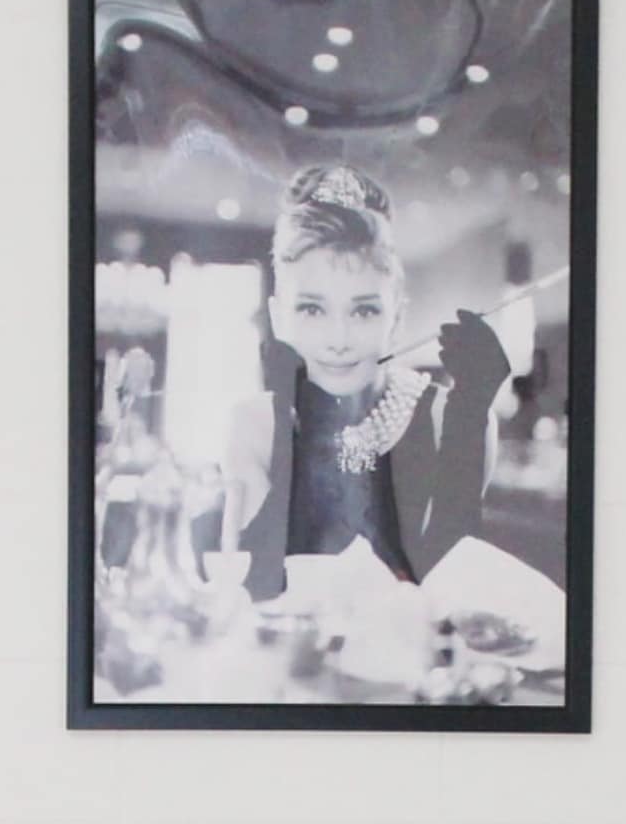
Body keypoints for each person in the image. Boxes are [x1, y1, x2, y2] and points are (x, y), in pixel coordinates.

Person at [212, 165, 510, 613]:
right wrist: (302, 416)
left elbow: (451, 599)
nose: (339, 338)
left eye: (364, 311)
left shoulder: (453, 417)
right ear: (278, 316)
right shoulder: (254, 423)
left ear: (397, 318)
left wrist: (468, 418)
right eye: (312, 309)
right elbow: (248, 591)